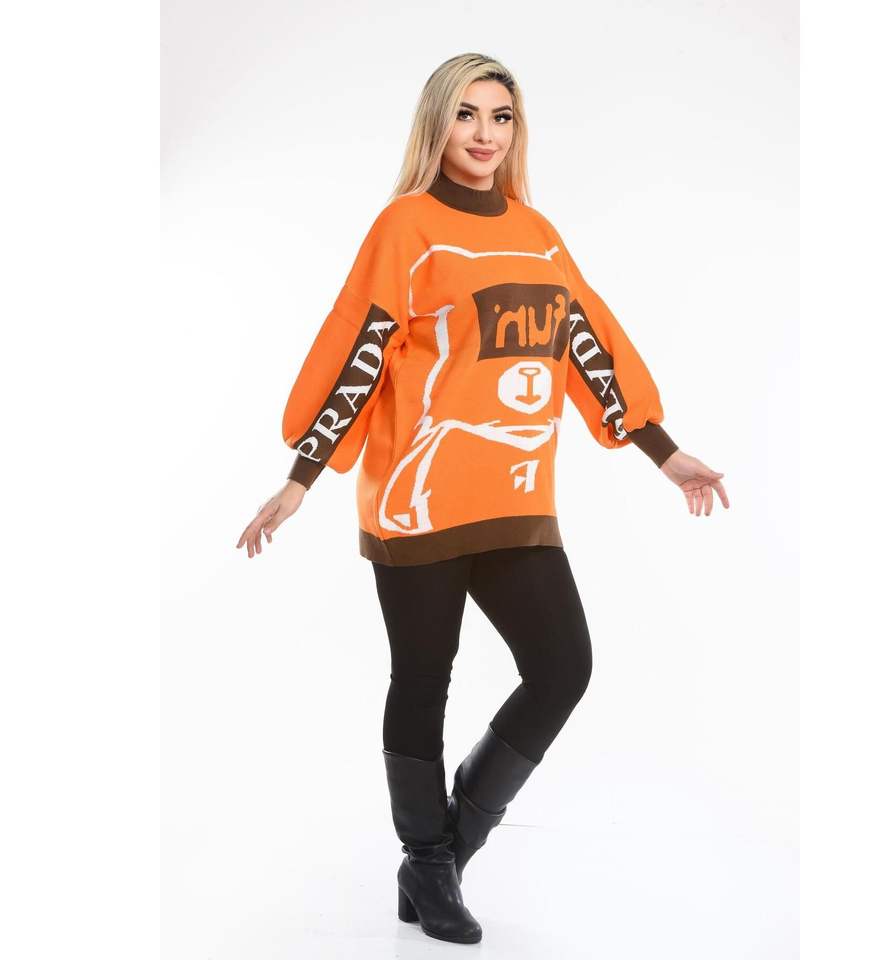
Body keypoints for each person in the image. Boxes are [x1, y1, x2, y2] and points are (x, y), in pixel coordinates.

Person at [236, 52, 729, 946]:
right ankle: (427, 858)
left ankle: (444, 853)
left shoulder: (536, 233)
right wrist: (303, 476)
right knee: (424, 678)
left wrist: (663, 452)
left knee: (563, 667)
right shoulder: (406, 226)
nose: (484, 134)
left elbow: (585, 340)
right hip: (417, 496)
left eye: (501, 117)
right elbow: (363, 347)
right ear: (437, 123)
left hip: (514, 494)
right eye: (467, 114)